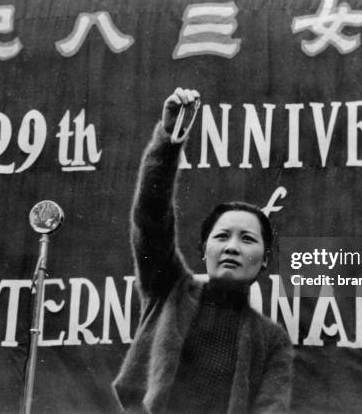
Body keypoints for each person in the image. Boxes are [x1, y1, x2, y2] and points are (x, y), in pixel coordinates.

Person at [112, 88, 293, 414]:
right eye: (222, 236)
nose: (232, 247)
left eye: (247, 239)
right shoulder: (167, 290)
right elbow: (151, 215)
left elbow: (271, 408)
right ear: (203, 248)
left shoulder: (272, 340)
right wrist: (169, 139)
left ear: (265, 258)